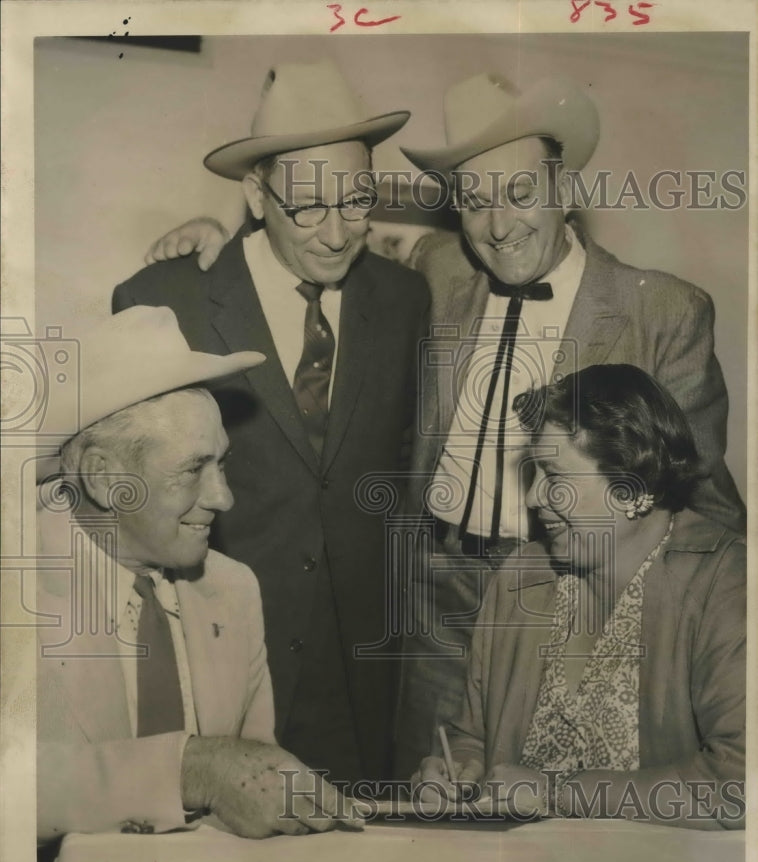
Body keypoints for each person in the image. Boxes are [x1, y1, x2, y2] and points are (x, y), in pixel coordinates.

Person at [136, 72, 746, 776]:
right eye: (474, 202)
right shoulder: (436, 270)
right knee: (422, 789)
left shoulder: (661, 310)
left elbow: (700, 494)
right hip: (428, 591)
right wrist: (216, 234)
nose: (498, 225)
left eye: (520, 194)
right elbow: (300, 247)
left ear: (564, 189)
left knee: (551, 807)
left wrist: (716, 637)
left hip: (562, 588)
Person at [112, 59, 431, 788]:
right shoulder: (167, 299)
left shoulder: (407, 298)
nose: (336, 233)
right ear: (256, 195)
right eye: (307, 208)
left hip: (362, 672)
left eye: (356, 202)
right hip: (216, 660)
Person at [36, 306, 363, 854]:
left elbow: (254, 781)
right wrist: (191, 767)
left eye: (223, 465)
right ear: (103, 477)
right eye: (193, 470)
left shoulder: (231, 589)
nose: (222, 498)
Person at [413, 365, 745, 829]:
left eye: (552, 474)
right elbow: (471, 736)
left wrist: (558, 793)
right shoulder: (521, 576)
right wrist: (458, 770)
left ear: (635, 488)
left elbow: (737, 786)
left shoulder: (726, 582)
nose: (532, 497)